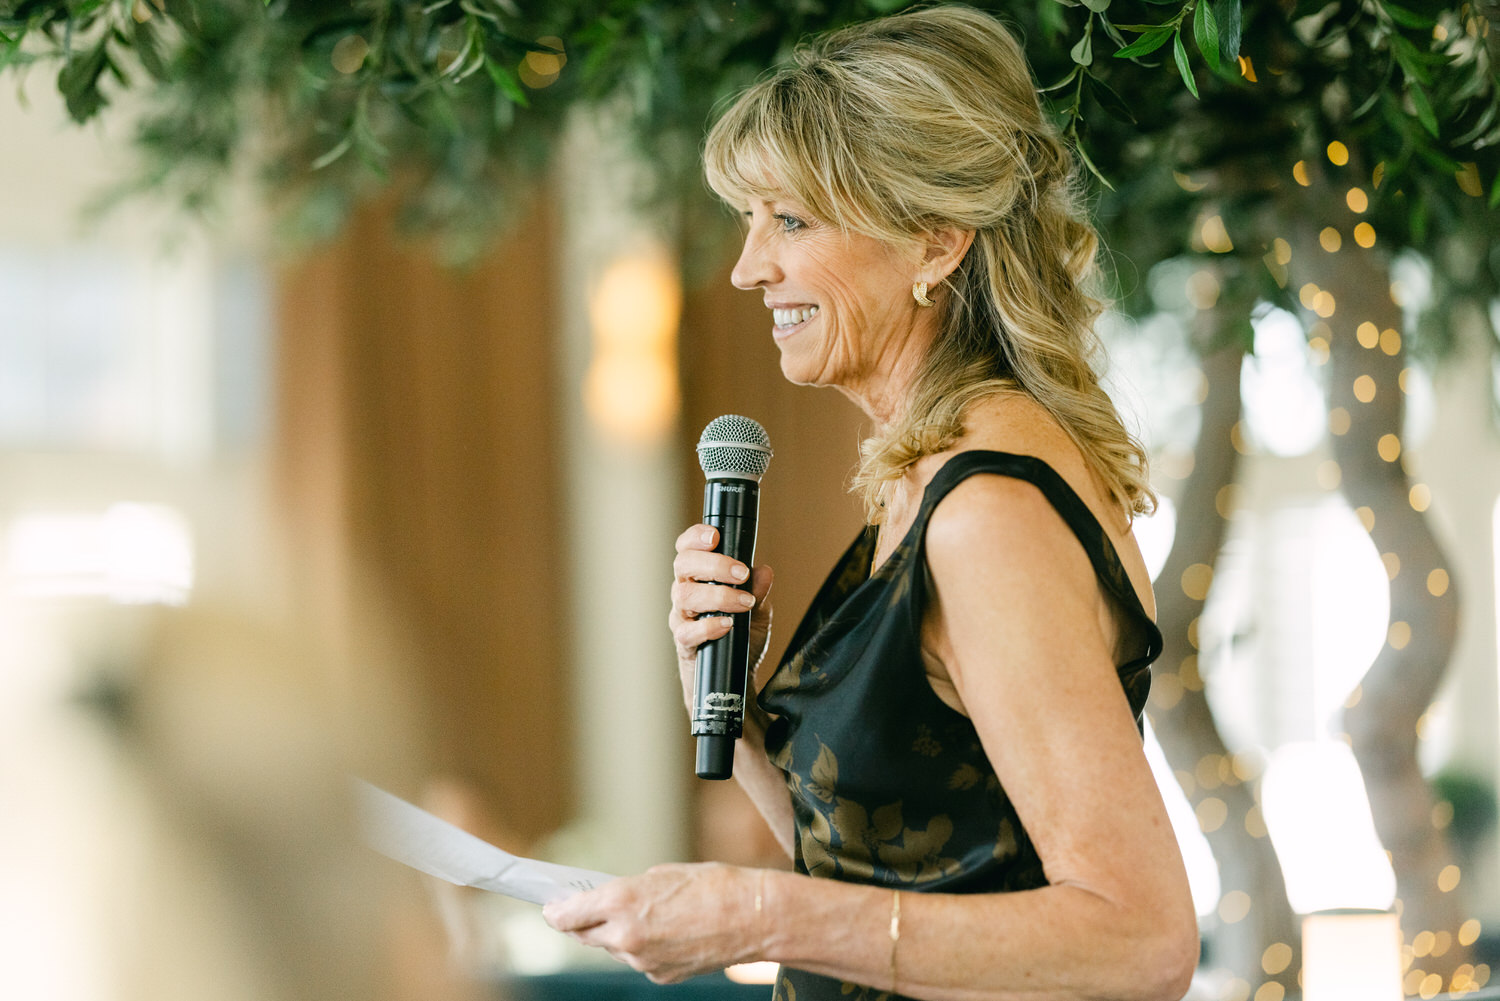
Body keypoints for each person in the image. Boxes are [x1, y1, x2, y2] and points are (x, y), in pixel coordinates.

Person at [543, 6, 1199, 999]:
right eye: (750, 221)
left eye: (791, 221)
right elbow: (893, 862)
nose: (748, 266)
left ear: (936, 243)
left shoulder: (988, 512)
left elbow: (1139, 938)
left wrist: (759, 912)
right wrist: (722, 687)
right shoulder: (926, 475)